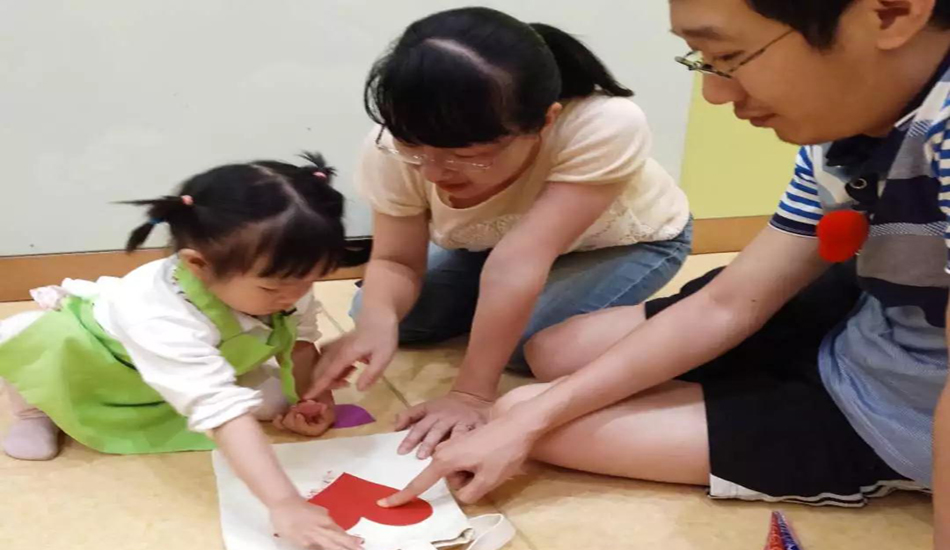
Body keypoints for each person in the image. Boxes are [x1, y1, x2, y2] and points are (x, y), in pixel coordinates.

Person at [381, 0, 950, 545]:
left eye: (731, 57)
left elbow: (522, 259)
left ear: (892, 12)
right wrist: (530, 418)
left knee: (521, 412)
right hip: (852, 316)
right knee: (548, 360)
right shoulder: (842, 132)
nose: (715, 92)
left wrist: (517, 415)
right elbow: (730, 302)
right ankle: (747, 382)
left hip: (896, 408)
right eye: (704, 61)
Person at [308, 7, 692, 460]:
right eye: (413, 147)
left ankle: (671, 319)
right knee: (385, 315)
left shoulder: (604, 124)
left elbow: (519, 261)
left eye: (468, 154)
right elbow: (395, 260)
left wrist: (471, 394)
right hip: (490, 244)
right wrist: (377, 319)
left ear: (544, 122)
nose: (434, 171)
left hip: (627, 243)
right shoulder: (392, 146)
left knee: (526, 347)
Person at [0, 154, 363, 550]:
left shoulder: (285, 285)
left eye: (309, 281)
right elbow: (221, 410)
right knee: (26, 343)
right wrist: (285, 504)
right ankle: (35, 413)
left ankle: (191, 393)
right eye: (273, 288)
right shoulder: (156, 313)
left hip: (191, 370)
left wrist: (312, 397)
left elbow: (300, 342)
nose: (294, 296)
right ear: (197, 265)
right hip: (99, 368)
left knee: (272, 402)